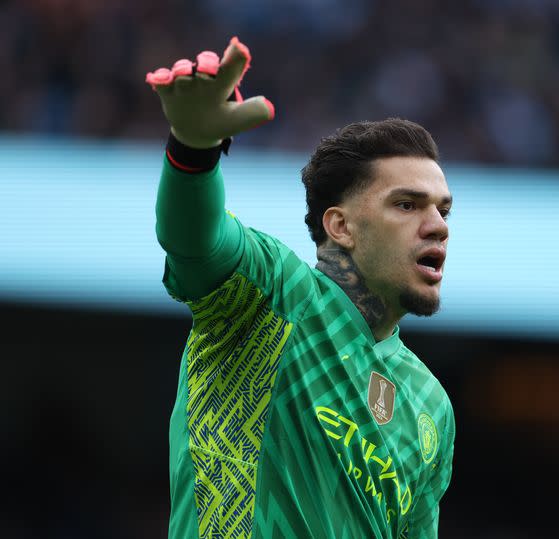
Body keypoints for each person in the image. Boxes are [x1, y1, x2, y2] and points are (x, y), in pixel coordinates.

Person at [146, 37, 456, 539]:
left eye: (443, 209)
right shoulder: (271, 296)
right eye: (408, 205)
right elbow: (195, 242)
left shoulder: (430, 404)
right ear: (341, 226)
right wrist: (192, 150)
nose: (438, 225)